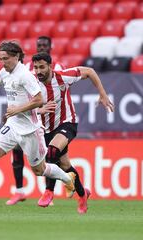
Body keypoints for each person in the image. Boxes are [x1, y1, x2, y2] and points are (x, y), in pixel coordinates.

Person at [0, 41, 76, 210]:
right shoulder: (5, 72)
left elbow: (39, 100)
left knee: (39, 170)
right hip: (13, 125)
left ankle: (68, 179)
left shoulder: (25, 75)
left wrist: (17, 110)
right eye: (0, 59)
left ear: (16, 57)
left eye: (5, 58)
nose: (2, 62)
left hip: (30, 129)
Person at [32, 52, 114, 213]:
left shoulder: (63, 77)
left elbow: (89, 71)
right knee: (64, 165)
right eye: (36, 68)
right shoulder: (32, 83)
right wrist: (40, 110)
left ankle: (49, 191)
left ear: (50, 66)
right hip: (45, 129)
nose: (39, 71)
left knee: (52, 152)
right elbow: (27, 106)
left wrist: (103, 94)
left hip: (67, 122)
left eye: (42, 67)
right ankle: (83, 194)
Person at [7, 36, 65, 206]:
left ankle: (48, 192)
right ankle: (19, 191)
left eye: (44, 45)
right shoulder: (26, 68)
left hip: (49, 118)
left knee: (47, 157)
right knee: (16, 148)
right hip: (31, 115)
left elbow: (60, 93)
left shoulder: (58, 67)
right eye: (39, 45)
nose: (41, 47)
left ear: (51, 47)